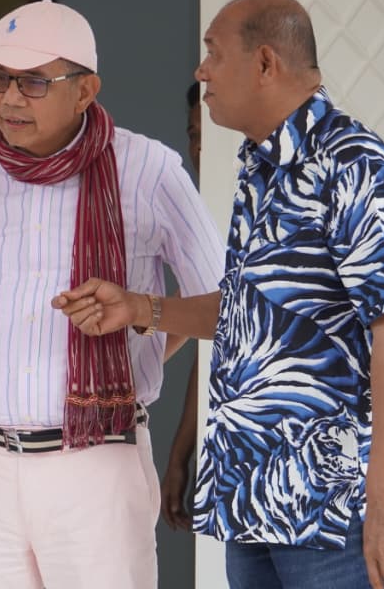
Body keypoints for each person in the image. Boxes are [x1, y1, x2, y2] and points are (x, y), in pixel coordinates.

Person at [55, 0, 384, 589]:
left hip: (338, 511)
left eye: (214, 53)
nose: (201, 71)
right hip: (257, 499)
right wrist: (140, 308)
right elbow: (253, 311)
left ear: (266, 63)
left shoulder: (354, 165)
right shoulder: (260, 168)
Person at [0, 0, 223, 588]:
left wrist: (141, 333)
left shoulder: (148, 169)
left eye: (33, 82)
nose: (10, 98)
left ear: (85, 90)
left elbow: (221, 305)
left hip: (98, 462)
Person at [159, 81, 205, 534]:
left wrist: (141, 310)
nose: (199, 148)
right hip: (230, 456)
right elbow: (211, 349)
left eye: (208, 136)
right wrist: (179, 454)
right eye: (193, 135)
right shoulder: (201, 213)